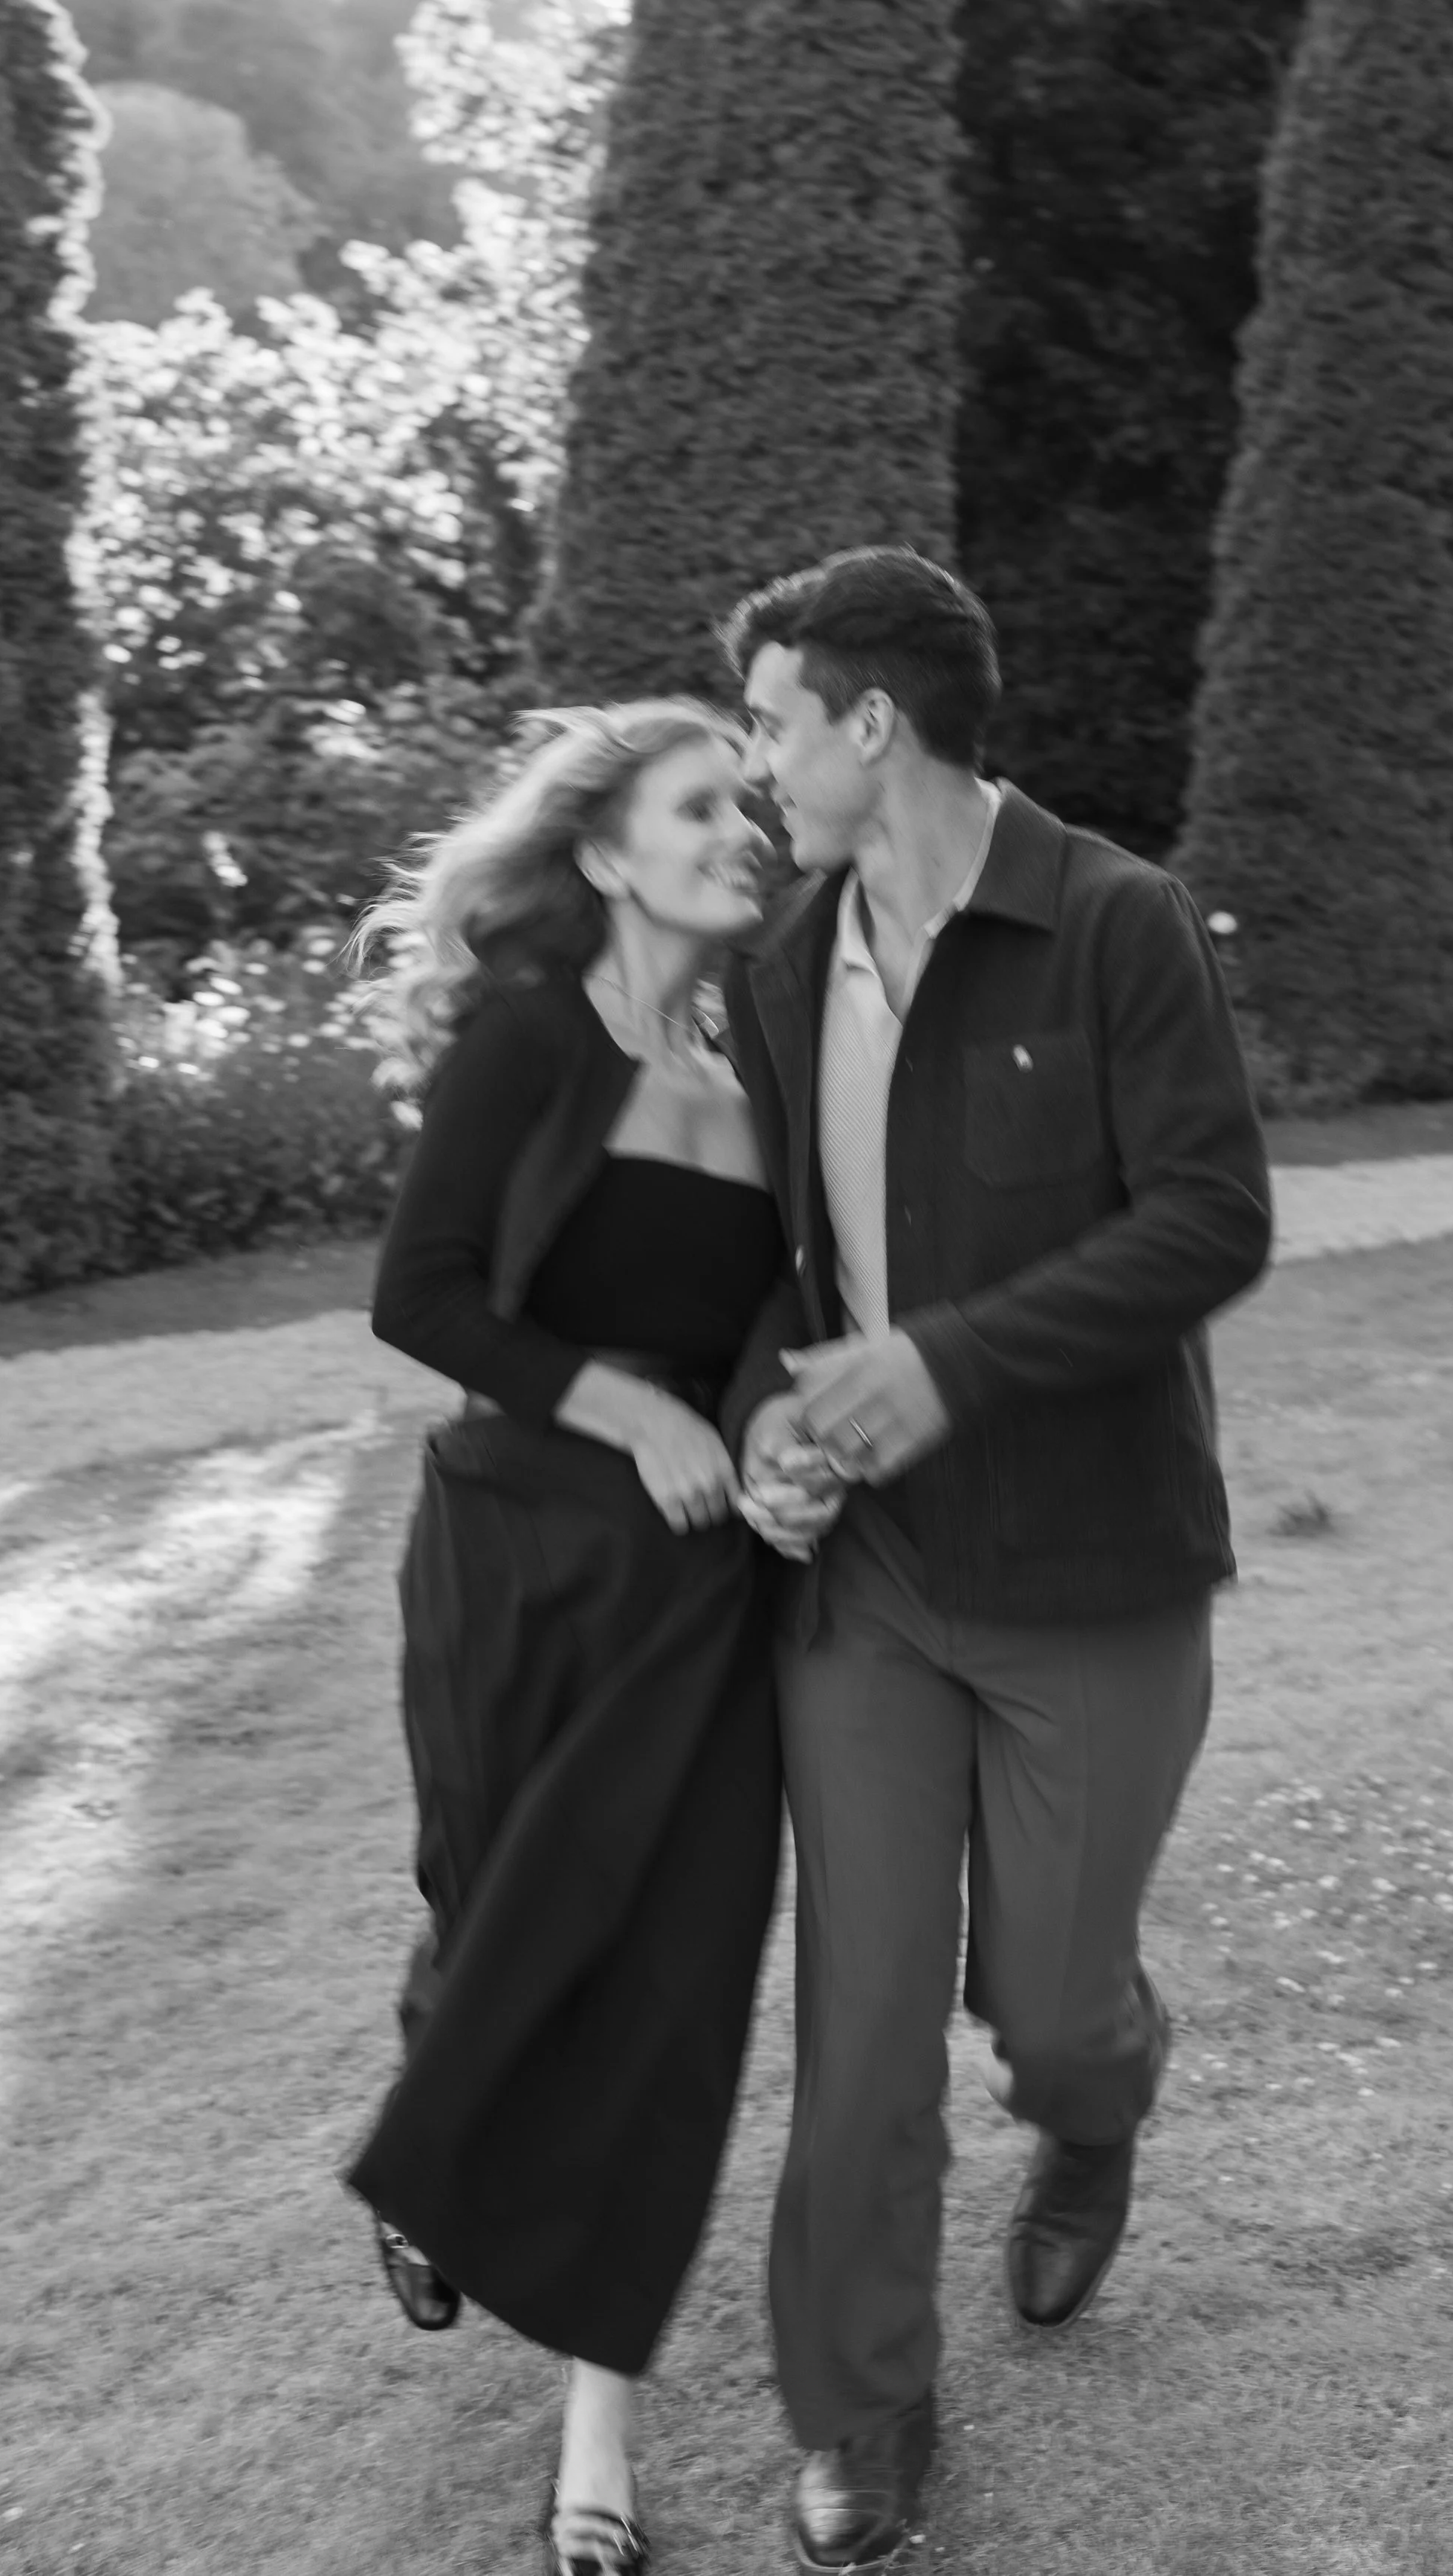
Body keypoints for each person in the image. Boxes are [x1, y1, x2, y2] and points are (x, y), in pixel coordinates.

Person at [718, 547, 1273, 2575]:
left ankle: (1096, 2094)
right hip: (865, 1590)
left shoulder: (1115, 922)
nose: (757, 761)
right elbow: (777, 1277)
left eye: (777, 721)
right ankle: (860, 2406)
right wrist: (772, 1426)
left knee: (1047, 2001)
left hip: (1100, 1574)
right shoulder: (779, 969)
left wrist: (944, 1361)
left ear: (873, 722)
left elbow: (1208, 1222)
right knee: (858, 2022)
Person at [345, 700, 794, 2576]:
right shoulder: (533, 1038)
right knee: (493, 1907)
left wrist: (763, 1440)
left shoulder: (763, 1070)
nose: (744, 832)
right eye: (704, 806)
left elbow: (787, 1321)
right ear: (607, 852)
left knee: (668, 1983)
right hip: (522, 1554)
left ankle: (595, 2428)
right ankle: (438, 2108)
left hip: (702, 1589)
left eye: (754, 809)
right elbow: (419, 1296)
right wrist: (640, 1417)